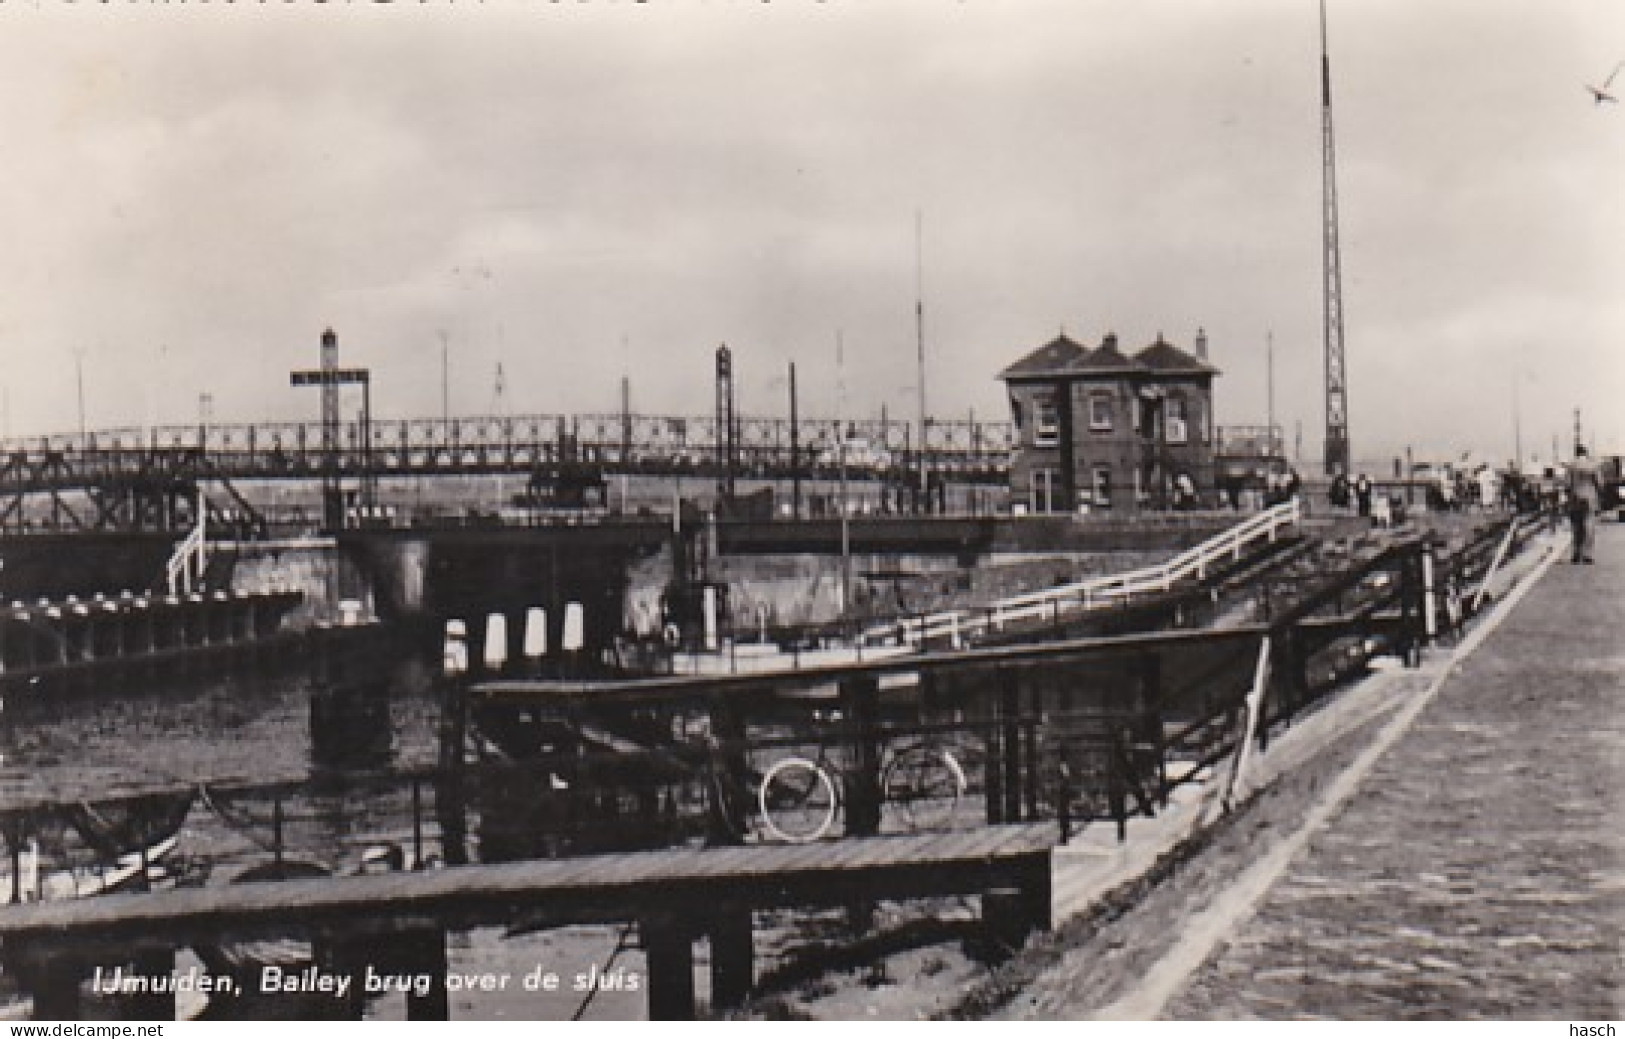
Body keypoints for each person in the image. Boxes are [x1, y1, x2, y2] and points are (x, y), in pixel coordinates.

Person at [1567, 446, 1601, 563]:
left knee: (1577, 526)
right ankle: (1588, 555)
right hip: (1589, 496)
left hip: (1575, 497)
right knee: (1589, 525)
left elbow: (1567, 483)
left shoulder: (1571, 465)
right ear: (1585, 453)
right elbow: (1599, 483)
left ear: (1576, 454)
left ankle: (1576, 553)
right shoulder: (1592, 465)